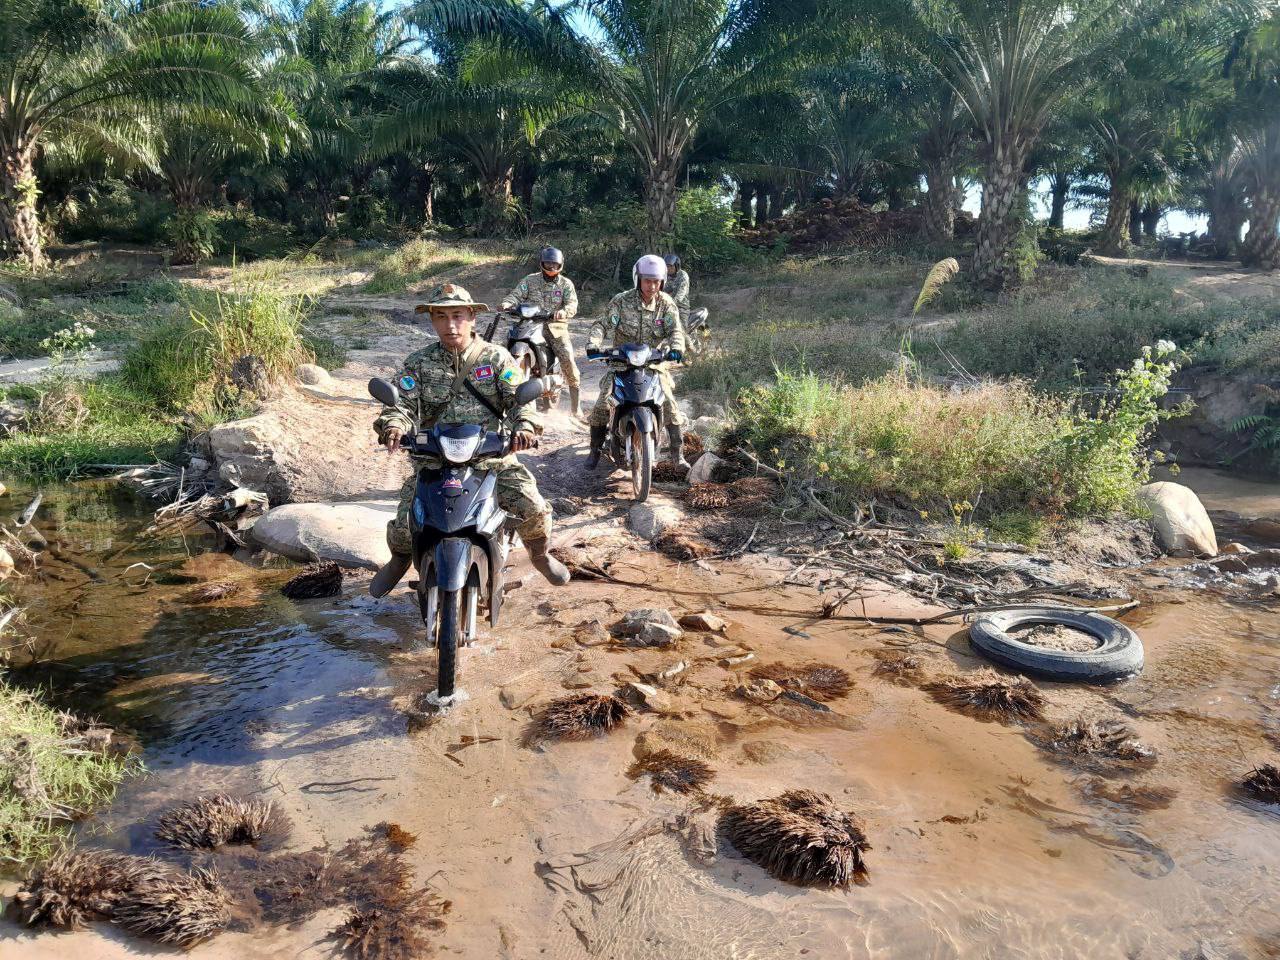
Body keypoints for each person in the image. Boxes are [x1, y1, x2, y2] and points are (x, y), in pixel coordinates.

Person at [369, 282, 569, 597]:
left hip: (492, 459)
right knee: (406, 519)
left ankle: (540, 555)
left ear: (472, 317)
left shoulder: (497, 358)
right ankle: (399, 560)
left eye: (458, 316)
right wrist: (393, 425)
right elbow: (401, 404)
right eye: (441, 317)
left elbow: (519, 400)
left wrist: (525, 427)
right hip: (434, 459)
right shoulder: (418, 363)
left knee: (532, 506)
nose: (450, 325)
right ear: (432, 320)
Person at [584, 254, 687, 471]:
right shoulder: (621, 301)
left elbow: (675, 330)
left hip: (653, 365)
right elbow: (602, 325)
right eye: (647, 281)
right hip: (621, 364)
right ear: (638, 279)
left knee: (669, 404)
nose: (652, 286)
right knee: (602, 403)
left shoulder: (666, 304)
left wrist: (677, 348)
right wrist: (594, 343)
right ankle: (595, 449)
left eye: (656, 281)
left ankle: (678, 456)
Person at [498, 246, 583, 416]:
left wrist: (563, 312)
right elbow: (516, 294)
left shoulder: (565, 284)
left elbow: (572, 304)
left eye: (555, 264)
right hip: (530, 323)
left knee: (567, 359)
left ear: (560, 265)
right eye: (548, 263)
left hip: (555, 327)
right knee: (503, 349)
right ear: (542, 263)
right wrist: (507, 303)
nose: (551, 267)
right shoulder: (530, 280)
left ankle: (576, 406)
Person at [664, 254, 690, 324]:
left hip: (681, 307)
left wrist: (671, 304)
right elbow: (661, 290)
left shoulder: (683, 275)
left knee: (681, 326)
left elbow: (680, 294)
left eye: (671, 266)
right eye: (667, 266)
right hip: (666, 307)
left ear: (676, 266)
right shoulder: (666, 276)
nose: (668, 268)